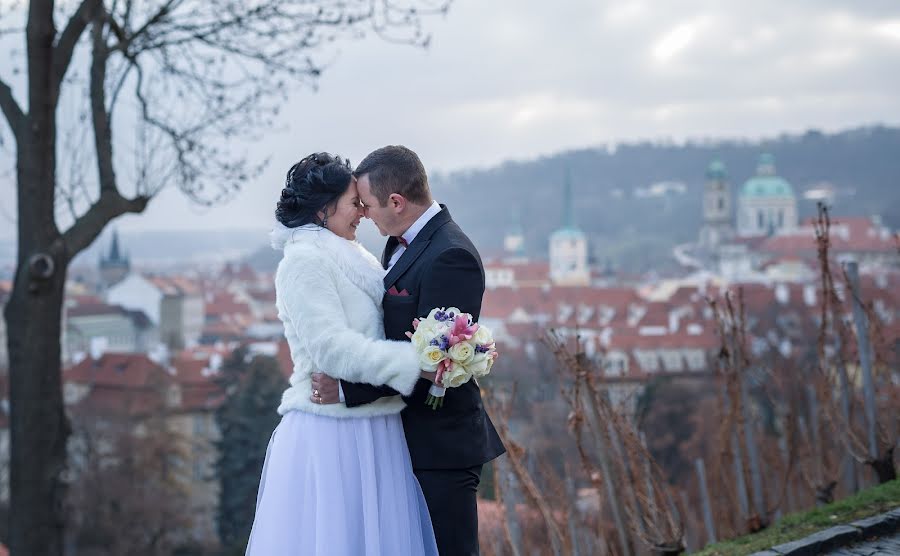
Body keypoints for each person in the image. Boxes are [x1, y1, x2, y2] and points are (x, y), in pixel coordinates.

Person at [312, 145, 506, 556]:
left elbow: (433, 361)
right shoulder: (403, 242)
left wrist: (346, 390)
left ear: (396, 202)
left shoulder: (450, 255)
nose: (363, 214)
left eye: (367, 204)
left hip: (441, 446)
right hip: (407, 437)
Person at [246, 152, 438, 556]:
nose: (362, 213)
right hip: (331, 432)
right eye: (354, 203)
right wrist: (410, 364)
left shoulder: (352, 256)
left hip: (373, 426)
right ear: (323, 210)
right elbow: (331, 347)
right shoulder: (302, 262)